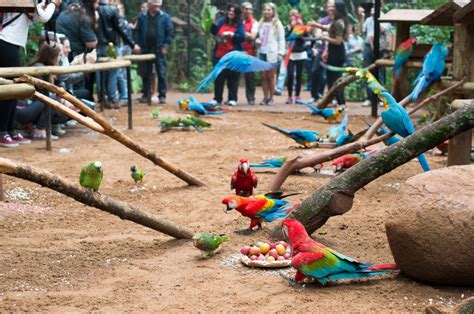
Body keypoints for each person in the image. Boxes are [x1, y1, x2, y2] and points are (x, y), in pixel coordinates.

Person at [0, 0, 60, 148]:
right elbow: (44, 17)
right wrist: (53, 3)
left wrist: (42, 6)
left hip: (9, 43)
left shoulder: (22, 3)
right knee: (9, 90)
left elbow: (35, 14)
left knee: (13, 90)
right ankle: (2, 131)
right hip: (7, 43)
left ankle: (10, 129)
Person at [15, 42, 73, 140]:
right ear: (51, 56)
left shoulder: (48, 67)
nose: (60, 59)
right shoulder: (38, 68)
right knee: (50, 100)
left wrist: (63, 98)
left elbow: (59, 86)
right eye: (59, 56)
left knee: (65, 110)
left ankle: (32, 126)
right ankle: (39, 129)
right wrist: (61, 98)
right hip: (21, 110)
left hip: (31, 107)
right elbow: (44, 96)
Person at [96, 0, 140, 109]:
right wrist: (132, 44)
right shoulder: (112, 10)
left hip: (96, 46)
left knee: (99, 72)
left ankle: (102, 98)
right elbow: (120, 29)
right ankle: (111, 99)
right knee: (112, 73)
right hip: (111, 46)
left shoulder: (93, 8)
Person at [310, 0, 348, 107]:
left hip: (337, 52)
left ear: (338, 9)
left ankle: (341, 103)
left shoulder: (340, 22)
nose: (332, 9)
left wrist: (326, 37)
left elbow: (338, 41)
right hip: (333, 51)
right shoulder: (337, 21)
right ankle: (333, 101)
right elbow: (329, 27)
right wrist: (317, 25)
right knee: (331, 78)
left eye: (334, 7)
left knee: (335, 79)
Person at [135, 0, 174, 104]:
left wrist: (166, 45)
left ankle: (162, 95)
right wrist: (137, 44)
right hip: (145, 49)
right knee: (145, 72)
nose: (157, 4)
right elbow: (138, 31)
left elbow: (170, 32)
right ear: (149, 4)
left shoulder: (165, 17)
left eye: (158, 2)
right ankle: (146, 94)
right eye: (155, 2)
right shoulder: (142, 16)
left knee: (161, 72)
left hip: (159, 49)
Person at [358, 1, 392, 107]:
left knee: (380, 72)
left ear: (381, 5)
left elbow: (383, 30)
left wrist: (376, 17)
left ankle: (381, 98)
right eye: (372, 5)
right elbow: (361, 31)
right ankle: (369, 98)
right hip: (368, 46)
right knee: (367, 71)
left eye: (375, 4)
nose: (373, 6)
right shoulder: (368, 19)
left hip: (380, 47)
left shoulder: (386, 17)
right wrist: (361, 18)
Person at [210, 4, 245, 106]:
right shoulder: (221, 21)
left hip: (232, 55)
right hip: (219, 55)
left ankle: (232, 98)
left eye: (233, 11)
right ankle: (217, 98)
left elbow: (242, 37)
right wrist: (215, 20)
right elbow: (213, 31)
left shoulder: (239, 24)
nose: (230, 13)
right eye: (229, 10)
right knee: (219, 77)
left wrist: (231, 34)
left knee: (233, 78)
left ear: (236, 14)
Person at [257, 2, 285, 106]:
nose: (267, 12)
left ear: (273, 11)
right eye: (265, 10)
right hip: (262, 52)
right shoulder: (260, 23)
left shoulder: (277, 23)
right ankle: (265, 97)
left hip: (273, 52)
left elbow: (281, 39)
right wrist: (258, 41)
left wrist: (281, 53)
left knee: (271, 76)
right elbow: (260, 37)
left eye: (269, 10)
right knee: (263, 76)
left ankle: (272, 98)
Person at [309, 0, 334, 103]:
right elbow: (319, 35)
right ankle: (315, 95)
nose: (330, 8)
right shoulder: (323, 20)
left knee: (330, 75)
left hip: (334, 51)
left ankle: (331, 97)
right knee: (315, 71)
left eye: (332, 6)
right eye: (328, 6)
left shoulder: (339, 20)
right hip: (322, 49)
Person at [275, 8, 298, 96]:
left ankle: (294, 88)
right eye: (291, 15)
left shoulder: (299, 28)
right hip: (286, 51)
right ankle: (279, 89)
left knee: (294, 73)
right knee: (282, 71)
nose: (293, 17)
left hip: (295, 52)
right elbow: (284, 38)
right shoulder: (285, 28)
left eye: (295, 15)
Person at [286, 13, 308, 104]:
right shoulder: (288, 28)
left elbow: (306, 37)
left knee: (299, 76)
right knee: (290, 75)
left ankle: (298, 96)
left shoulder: (302, 28)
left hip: (300, 53)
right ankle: (289, 96)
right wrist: (292, 28)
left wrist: (301, 26)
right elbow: (287, 37)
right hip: (291, 54)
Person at [241, 2, 259, 106]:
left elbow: (252, 36)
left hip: (249, 52)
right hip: (237, 51)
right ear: (242, 10)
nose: (248, 11)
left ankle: (251, 98)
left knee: (250, 77)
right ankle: (232, 98)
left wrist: (240, 32)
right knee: (232, 75)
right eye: (246, 9)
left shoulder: (254, 23)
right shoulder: (238, 21)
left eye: (250, 9)